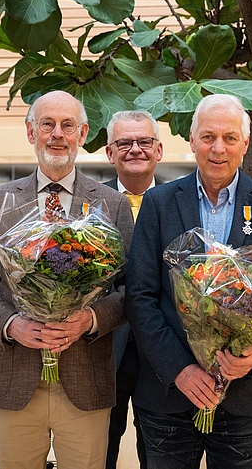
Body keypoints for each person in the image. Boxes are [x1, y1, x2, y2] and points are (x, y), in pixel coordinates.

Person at [0, 90, 134, 469]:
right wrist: (10, 324)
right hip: (15, 378)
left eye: (68, 125)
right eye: (47, 124)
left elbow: (130, 290)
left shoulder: (111, 204)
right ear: (30, 132)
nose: (57, 134)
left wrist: (90, 319)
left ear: (83, 133)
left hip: (85, 379)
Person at [124, 94, 252, 469]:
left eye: (230, 138)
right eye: (208, 136)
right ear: (191, 139)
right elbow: (139, 297)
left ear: (246, 144)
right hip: (169, 394)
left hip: (244, 396)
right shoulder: (158, 202)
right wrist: (180, 369)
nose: (218, 148)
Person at [103, 109, 164, 469]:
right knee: (100, 450)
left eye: (144, 142)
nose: (135, 149)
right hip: (105, 349)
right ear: (110, 153)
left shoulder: (179, 203)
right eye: (124, 142)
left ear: (159, 150)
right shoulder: (91, 203)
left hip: (162, 354)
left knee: (160, 455)